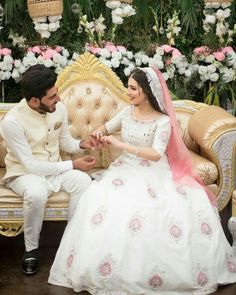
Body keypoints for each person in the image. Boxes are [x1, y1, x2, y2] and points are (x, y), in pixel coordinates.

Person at [48, 67, 236, 294]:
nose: (128, 92)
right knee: (100, 201)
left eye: (132, 88)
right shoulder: (128, 112)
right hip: (124, 170)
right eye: (128, 87)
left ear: (146, 92)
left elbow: (156, 154)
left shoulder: (163, 121)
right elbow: (106, 127)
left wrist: (120, 145)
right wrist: (98, 134)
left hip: (153, 171)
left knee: (158, 209)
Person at [1, 64, 97, 276]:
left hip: (54, 168)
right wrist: (73, 164)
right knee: (37, 193)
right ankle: (31, 249)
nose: (59, 99)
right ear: (35, 101)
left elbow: (65, 142)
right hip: (23, 173)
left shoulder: (58, 109)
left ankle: (72, 242)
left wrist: (82, 145)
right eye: (52, 97)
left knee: (83, 182)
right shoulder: (12, 122)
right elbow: (31, 165)